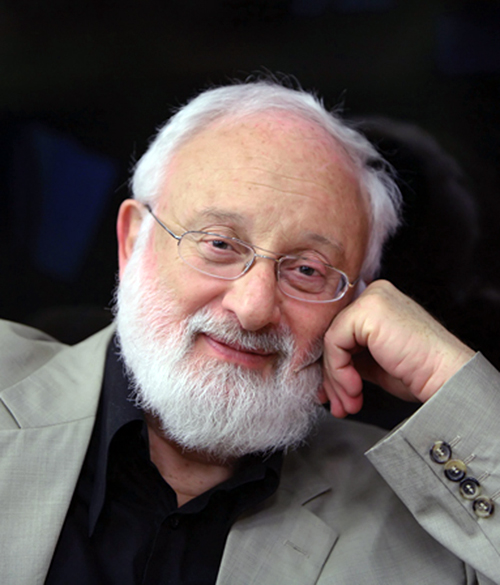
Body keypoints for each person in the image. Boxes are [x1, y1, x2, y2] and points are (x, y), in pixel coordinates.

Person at [1, 80, 499, 585]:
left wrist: (447, 375)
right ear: (133, 240)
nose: (253, 308)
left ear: (352, 304)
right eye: (219, 243)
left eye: (307, 270)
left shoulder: (428, 518)